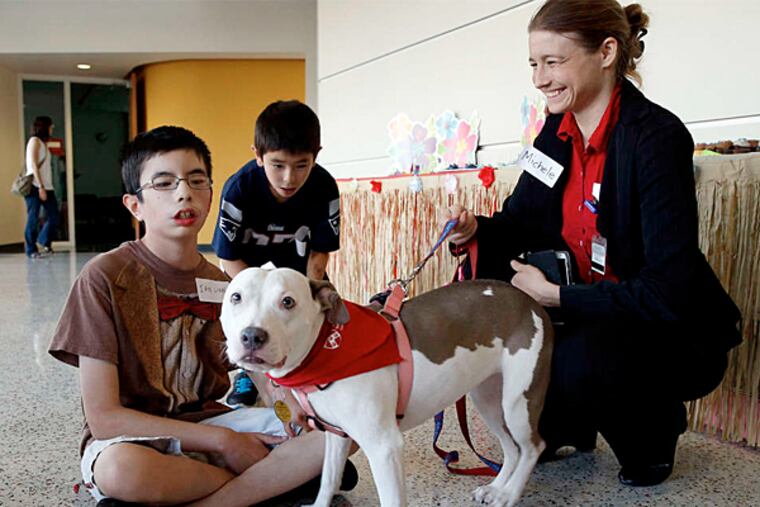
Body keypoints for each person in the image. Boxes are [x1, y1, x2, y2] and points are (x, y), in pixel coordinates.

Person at [443, 0, 741, 488]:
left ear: (606, 51)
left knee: (575, 364)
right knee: (496, 294)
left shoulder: (656, 137)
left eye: (553, 62)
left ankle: (656, 426)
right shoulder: (554, 133)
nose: (539, 78)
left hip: (662, 327)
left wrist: (557, 297)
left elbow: (668, 288)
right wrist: (475, 229)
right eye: (534, 64)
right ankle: (573, 421)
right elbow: (520, 221)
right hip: (584, 309)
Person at [48, 126, 355, 506]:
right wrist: (225, 443)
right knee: (122, 471)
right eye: (163, 183)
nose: (183, 193)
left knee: (341, 432)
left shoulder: (227, 284)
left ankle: (212, 497)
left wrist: (291, 409)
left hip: (210, 419)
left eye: (196, 180)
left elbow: (262, 373)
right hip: (133, 438)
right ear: (134, 205)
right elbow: (105, 418)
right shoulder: (105, 277)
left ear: (211, 194)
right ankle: (270, 487)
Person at [213, 100, 341, 409]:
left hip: (295, 271)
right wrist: (254, 296)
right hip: (248, 269)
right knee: (251, 319)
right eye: (278, 165)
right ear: (257, 155)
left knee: (313, 315)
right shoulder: (238, 189)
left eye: (301, 165)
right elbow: (228, 258)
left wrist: (308, 297)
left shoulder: (324, 187)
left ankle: (308, 367)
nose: (289, 178)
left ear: (316, 156)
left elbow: (319, 255)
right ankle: (246, 371)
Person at [24, 115, 60, 259]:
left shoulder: (43, 143)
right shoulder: (34, 141)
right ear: (45, 127)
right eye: (51, 126)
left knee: (54, 217)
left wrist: (46, 186)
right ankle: (31, 249)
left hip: (46, 186)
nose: (52, 129)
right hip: (35, 187)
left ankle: (43, 240)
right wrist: (41, 187)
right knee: (33, 218)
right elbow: (33, 165)